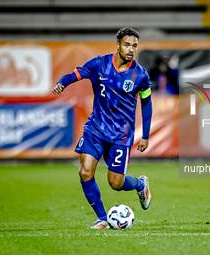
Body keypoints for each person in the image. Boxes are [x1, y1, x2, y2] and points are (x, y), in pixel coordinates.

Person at [52, 27, 152, 229]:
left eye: (134, 46)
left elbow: (147, 104)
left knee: (115, 183)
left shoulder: (141, 76)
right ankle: (102, 218)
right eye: (127, 45)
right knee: (85, 171)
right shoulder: (99, 64)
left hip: (120, 135)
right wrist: (62, 83)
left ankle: (140, 185)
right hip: (96, 129)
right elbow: (73, 75)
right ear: (117, 45)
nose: (131, 49)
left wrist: (146, 135)